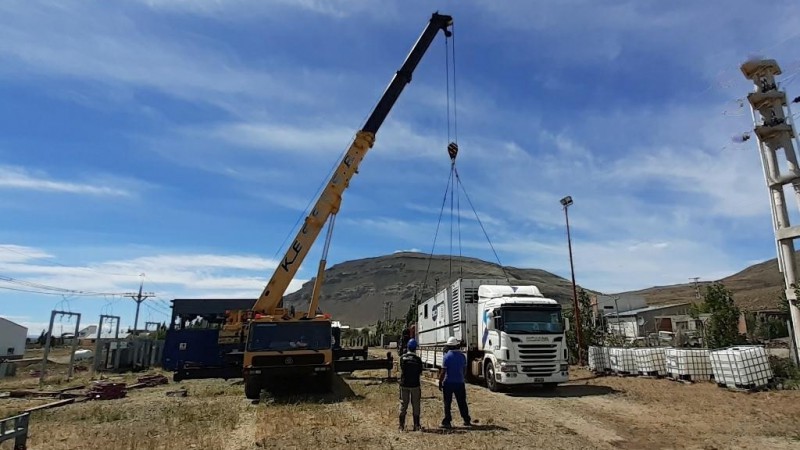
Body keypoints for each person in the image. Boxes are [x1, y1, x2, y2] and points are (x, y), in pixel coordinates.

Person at [438, 336, 471, 428]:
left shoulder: (446, 357)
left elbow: (443, 372)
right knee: (462, 402)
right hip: (460, 383)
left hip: (448, 383)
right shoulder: (462, 356)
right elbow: (464, 370)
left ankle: (447, 421)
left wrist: (440, 382)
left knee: (447, 403)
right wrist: (462, 377)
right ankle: (466, 419)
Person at [398, 338, 423, 431]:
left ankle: (401, 426)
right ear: (415, 348)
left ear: (407, 347)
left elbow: (402, 369)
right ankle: (416, 425)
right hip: (415, 385)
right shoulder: (418, 359)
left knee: (403, 403)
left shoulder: (402, 358)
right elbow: (420, 372)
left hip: (404, 384)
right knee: (416, 404)